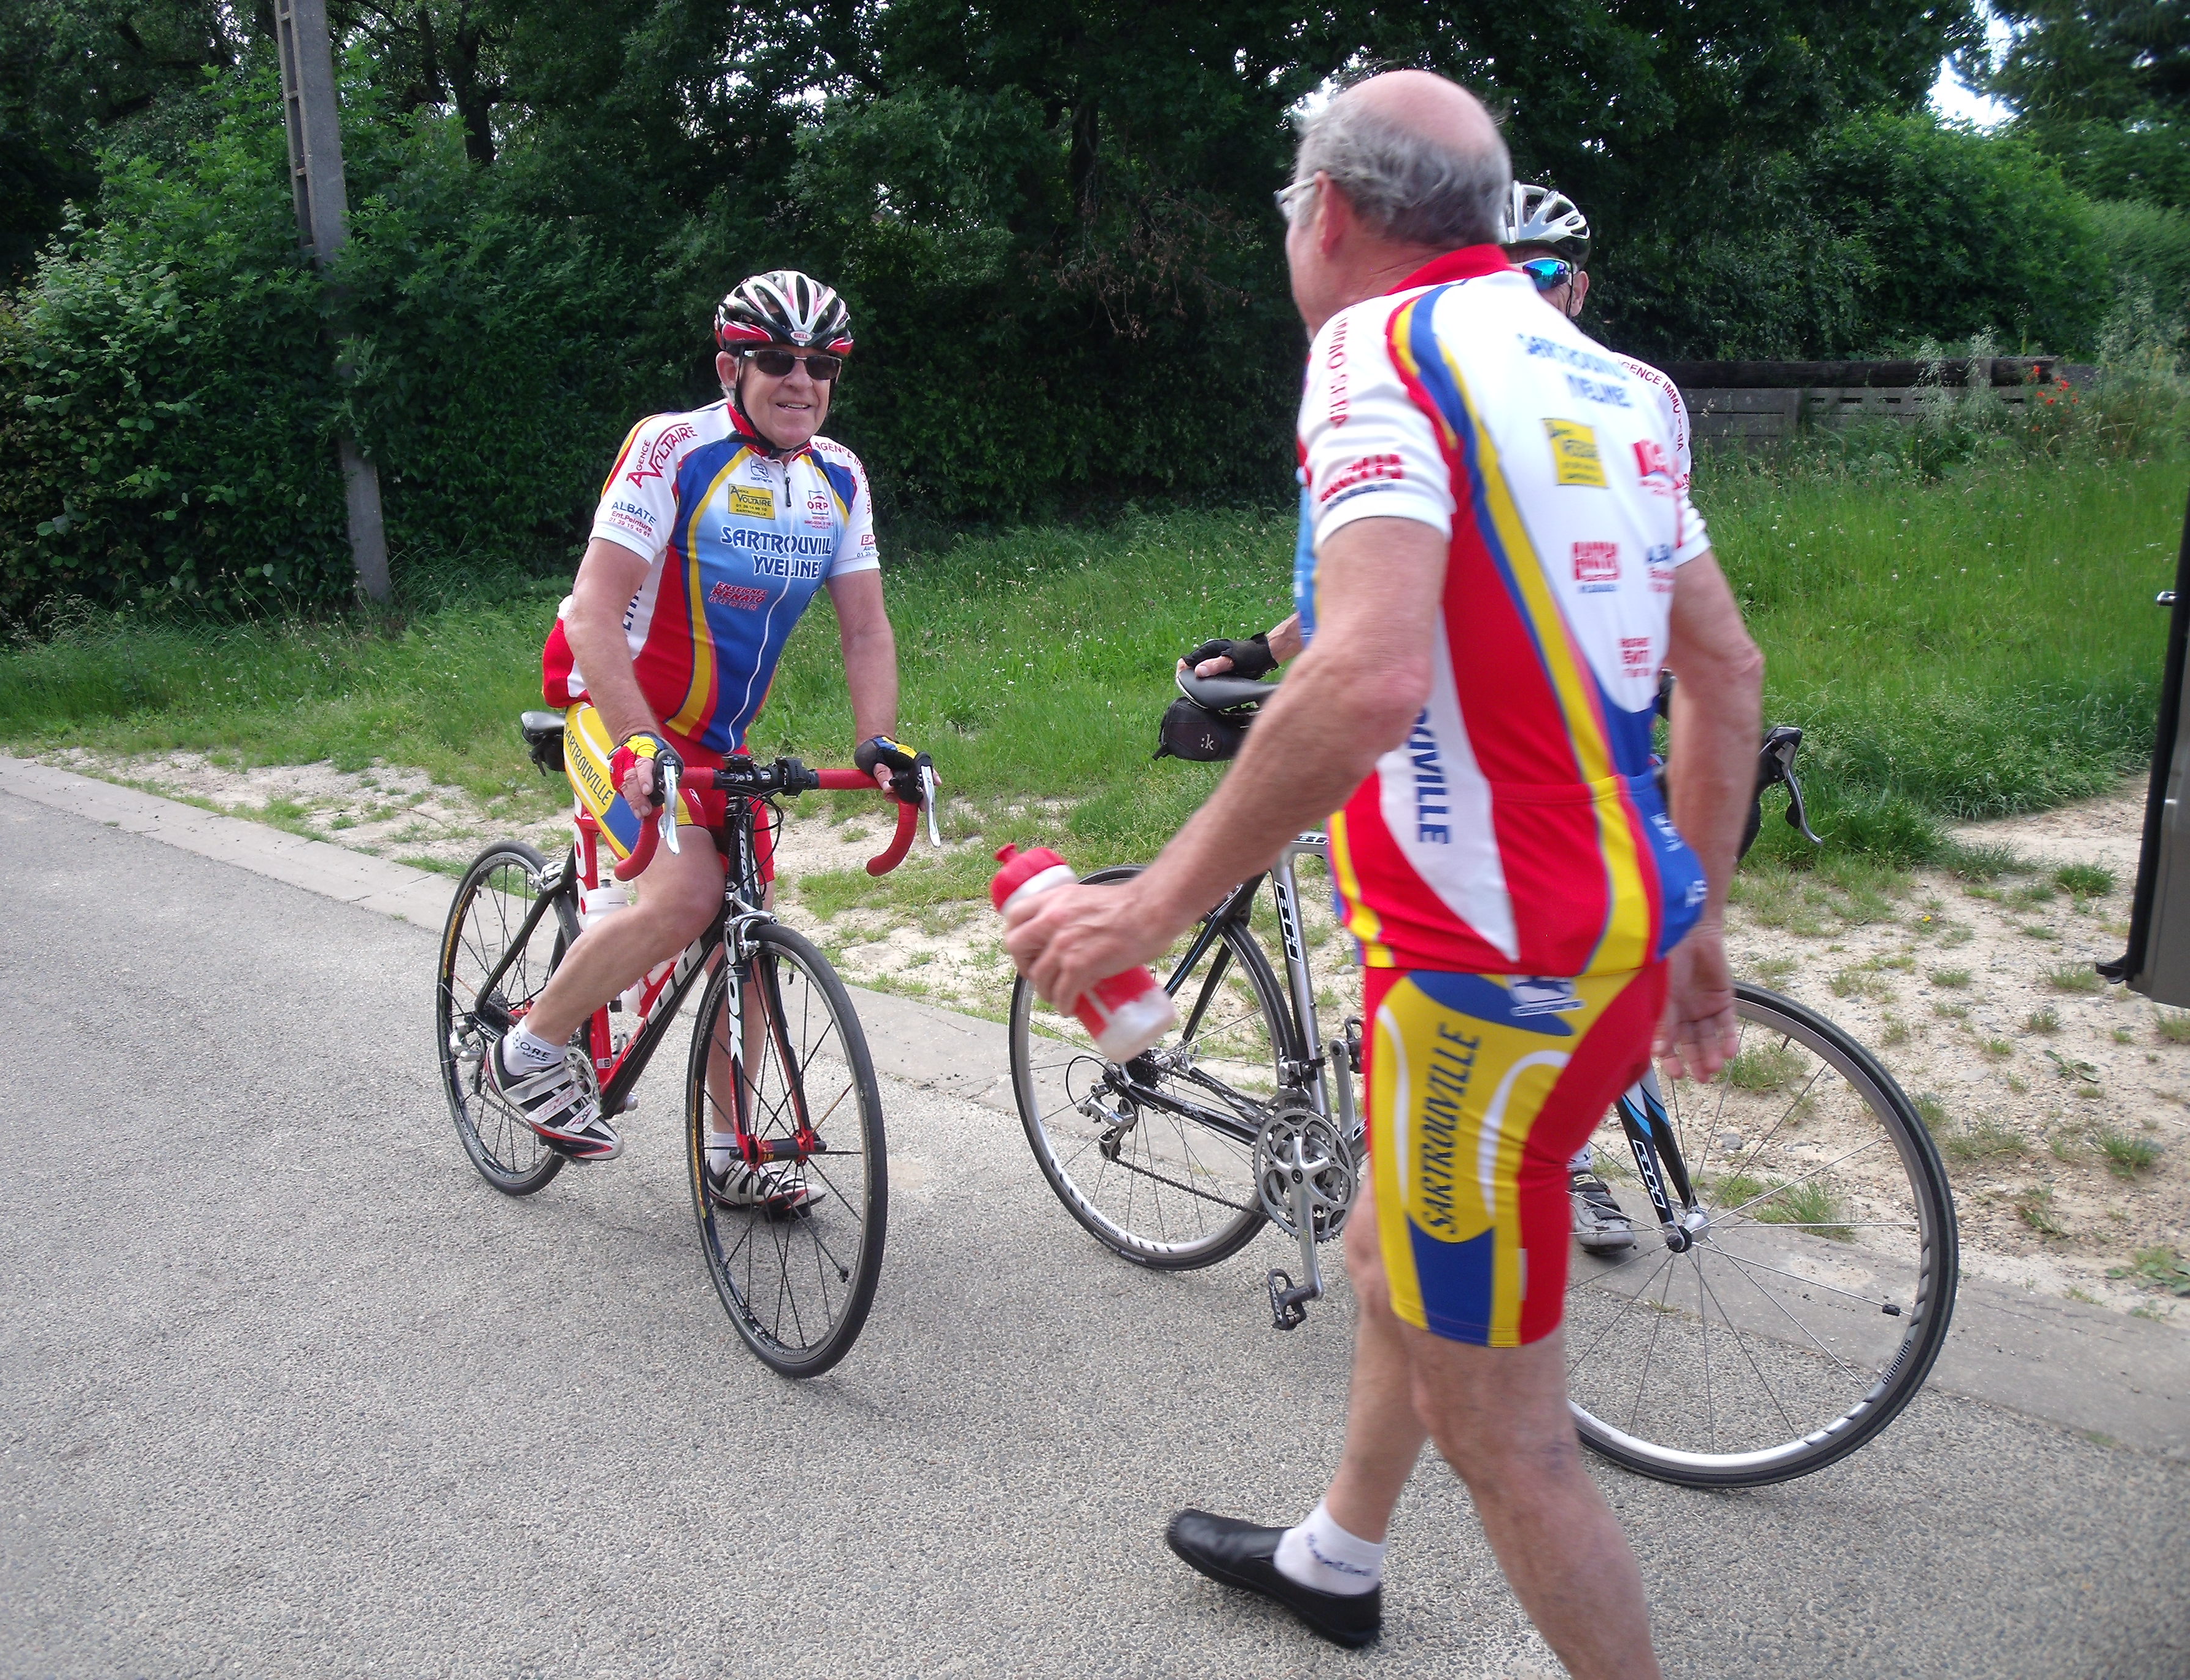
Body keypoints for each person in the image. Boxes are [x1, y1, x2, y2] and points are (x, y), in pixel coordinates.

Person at [1007, 71, 1763, 1677]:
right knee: (1380, 1251)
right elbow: (1727, 671)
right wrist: (1699, 911)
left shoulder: (1377, 349)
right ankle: (1335, 1554)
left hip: (1481, 984)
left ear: (1332, 215)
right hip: (1617, 940)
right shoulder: (1618, 385)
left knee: (1513, 1442)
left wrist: (1147, 903)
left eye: (1292, 213)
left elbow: (1363, 679)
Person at [1184, 177, 1692, 1259]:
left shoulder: (1635, 393)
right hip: (1445, 748)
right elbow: (1382, 577)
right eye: (1506, 268)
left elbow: (1654, 577)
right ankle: (1494, 1174)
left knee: (1579, 953)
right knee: (1467, 965)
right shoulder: (1416, 372)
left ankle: (1497, 1172)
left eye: (1546, 271)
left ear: (1581, 286)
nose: (1525, 289)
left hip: (1580, 734)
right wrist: (1266, 649)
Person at [485, 270, 928, 1196]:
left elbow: (865, 630)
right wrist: (637, 742)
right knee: (689, 896)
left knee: (745, 933)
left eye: (822, 365)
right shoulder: (673, 448)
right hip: (610, 709)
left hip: (717, 742)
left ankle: (731, 1155)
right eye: (778, 360)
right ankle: (529, 1049)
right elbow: (591, 613)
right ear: (732, 368)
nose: (801, 380)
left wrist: (878, 743)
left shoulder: (840, 477)